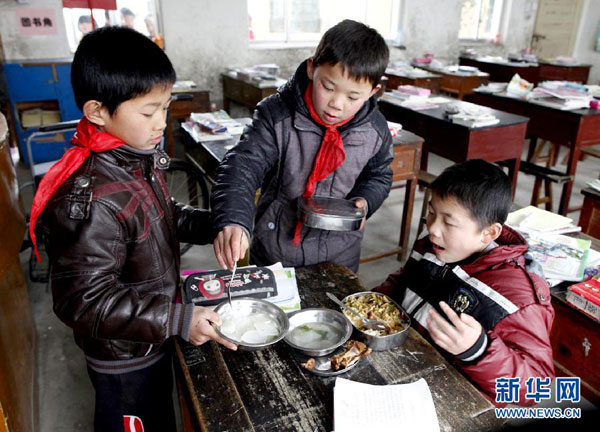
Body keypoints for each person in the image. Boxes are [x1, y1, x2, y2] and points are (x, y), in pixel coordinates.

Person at [29, 27, 236, 432]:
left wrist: (217, 223)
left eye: (166, 106)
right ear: (97, 111)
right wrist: (176, 319)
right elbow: (84, 301)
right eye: (148, 111)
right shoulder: (91, 199)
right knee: (135, 419)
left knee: (161, 413)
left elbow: (164, 215)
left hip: (150, 331)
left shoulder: (133, 156)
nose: (162, 123)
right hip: (123, 356)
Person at [212, 19, 393, 273]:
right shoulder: (277, 115)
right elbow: (243, 164)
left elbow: (379, 175)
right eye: (328, 87)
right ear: (311, 69)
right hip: (276, 249)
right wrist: (233, 218)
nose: (337, 104)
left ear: (373, 91)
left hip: (339, 254)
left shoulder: (375, 130)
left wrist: (366, 200)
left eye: (353, 97)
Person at [373, 160, 555, 405]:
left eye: (448, 222)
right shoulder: (433, 245)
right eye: (431, 213)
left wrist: (478, 350)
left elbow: (537, 386)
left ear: (489, 233)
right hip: (407, 365)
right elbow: (404, 280)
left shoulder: (518, 297)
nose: (433, 228)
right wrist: (375, 301)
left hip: (456, 400)